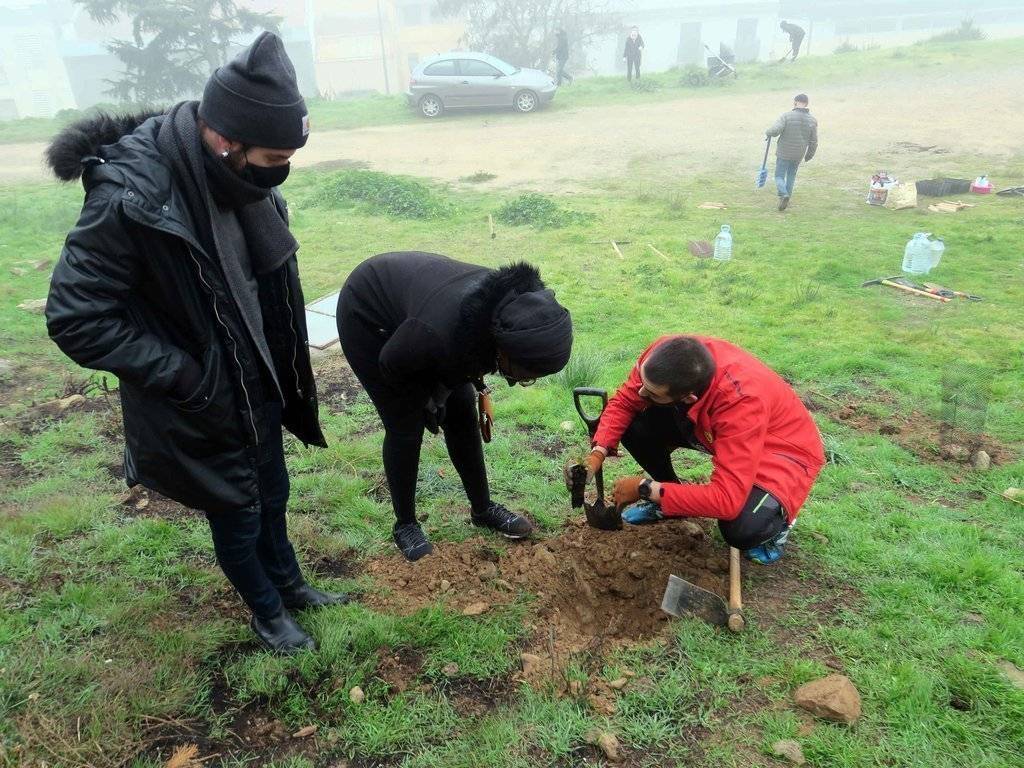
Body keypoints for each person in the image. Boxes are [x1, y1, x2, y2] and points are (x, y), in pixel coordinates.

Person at [44, 32, 345, 654]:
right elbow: (75, 316)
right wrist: (184, 375)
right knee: (236, 509)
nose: (280, 173)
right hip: (199, 388)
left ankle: (288, 584)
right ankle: (266, 613)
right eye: (272, 158)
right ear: (225, 140)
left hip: (256, 373)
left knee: (272, 492)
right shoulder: (132, 194)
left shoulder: (242, 181)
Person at [337, 253, 573, 562]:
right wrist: (426, 399)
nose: (525, 381)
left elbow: (461, 367)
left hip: (425, 317)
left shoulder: (504, 314)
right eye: (526, 375)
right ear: (503, 349)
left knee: (461, 411)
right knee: (404, 423)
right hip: (369, 317)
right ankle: (405, 523)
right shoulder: (439, 334)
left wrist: (443, 391)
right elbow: (391, 364)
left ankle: (482, 508)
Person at [573, 336, 824, 564]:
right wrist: (598, 454)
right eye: (643, 384)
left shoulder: (741, 404)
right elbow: (626, 401)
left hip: (781, 450)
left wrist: (644, 488)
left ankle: (778, 524)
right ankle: (667, 499)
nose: (641, 392)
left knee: (742, 528)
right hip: (715, 429)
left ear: (688, 398)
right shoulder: (665, 355)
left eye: (651, 392)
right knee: (634, 424)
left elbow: (726, 500)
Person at [765, 93, 818, 211]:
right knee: (791, 175)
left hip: (784, 152)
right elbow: (814, 141)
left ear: (795, 102)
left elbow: (775, 130)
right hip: (798, 154)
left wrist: (768, 132)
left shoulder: (787, 116)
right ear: (807, 104)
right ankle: (787, 198)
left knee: (779, 175)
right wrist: (809, 155)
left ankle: (783, 194)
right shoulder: (812, 120)